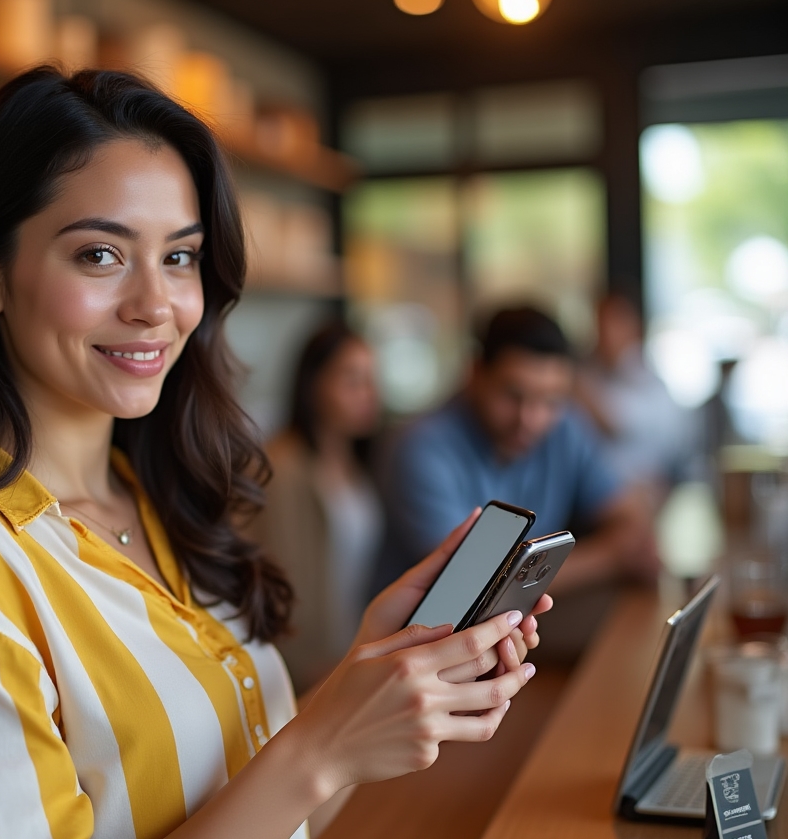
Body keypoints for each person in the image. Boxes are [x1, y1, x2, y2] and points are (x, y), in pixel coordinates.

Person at [0, 68, 546, 839]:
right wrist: (318, 747)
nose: (156, 304)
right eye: (99, 254)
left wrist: (371, 681)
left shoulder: (158, 505)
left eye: (179, 256)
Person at [378, 306, 658, 595]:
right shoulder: (419, 448)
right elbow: (471, 585)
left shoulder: (565, 428)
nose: (531, 419)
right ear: (475, 373)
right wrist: (609, 557)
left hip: (526, 620)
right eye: (513, 395)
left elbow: (628, 514)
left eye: (550, 399)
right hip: (425, 632)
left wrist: (628, 536)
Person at [255, 321, 383, 692]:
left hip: (350, 651)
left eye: (373, 379)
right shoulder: (281, 467)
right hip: (307, 670)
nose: (370, 394)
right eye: (352, 380)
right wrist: (307, 666)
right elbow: (280, 582)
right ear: (314, 385)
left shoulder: (355, 461)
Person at [576, 293, 698, 496]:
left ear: (635, 327)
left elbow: (615, 422)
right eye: (599, 323)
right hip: (597, 496)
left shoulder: (644, 377)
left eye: (613, 323)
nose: (604, 333)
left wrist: (574, 383)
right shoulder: (592, 371)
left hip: (642, 494)